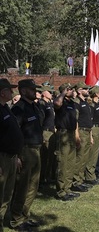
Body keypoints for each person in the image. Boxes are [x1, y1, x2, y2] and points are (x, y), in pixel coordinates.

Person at [10, 79, 44, 230]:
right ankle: (16, 219)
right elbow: (14, 133)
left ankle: (25, 215)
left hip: (36, 149)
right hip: (25, 150)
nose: (35, 91)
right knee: (22, 186)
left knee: (33, 185)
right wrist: (17, 155)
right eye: (31, 89)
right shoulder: (19, 108)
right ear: (23, 91)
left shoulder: (34, 106)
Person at [0, 79, 23, 232]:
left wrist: (17, 157)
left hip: (11, 157)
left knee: (7, 194)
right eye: (10, 90)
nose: (13, 93)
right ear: (2, 92)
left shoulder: (6, 108)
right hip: (2, 159)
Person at [53, 83, 80, 202]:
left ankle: (68, 188)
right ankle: (61, 191)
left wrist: (76, 135)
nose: (72, 91)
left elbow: (75, 120)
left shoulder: (72, 103)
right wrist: (63, 93)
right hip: (62, 133)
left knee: (70, 162)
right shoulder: (61, 102)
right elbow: (57, 104)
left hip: (71, 133)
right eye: (70, 90)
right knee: (62, 163)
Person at [73, 82, 93, 192]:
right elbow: (75, 120)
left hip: (87, 131)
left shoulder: (84, 102)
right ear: (79, 90)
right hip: (81, 131)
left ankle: (80, 179)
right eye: (85, 89)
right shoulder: (77, 102)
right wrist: (77, 135)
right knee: (79, 157)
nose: (87, 90)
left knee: (84, 157)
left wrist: (90, 136)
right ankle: (76, 181)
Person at [84, 86, 99, 185]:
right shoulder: (92, 105)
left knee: (95, 154)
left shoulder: (97, 104)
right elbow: (90, 121)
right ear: (96, 94)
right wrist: (90, 136)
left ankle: (92, 174)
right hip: (94, 130)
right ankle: (89, 176)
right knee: (92, 154)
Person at [38, 86, 56, 185]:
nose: (51, 93)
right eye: (49, 92)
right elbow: (41, 120)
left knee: (50, 156)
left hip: (52, 131)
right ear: (44, 93)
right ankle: (42, 179)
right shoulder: (42, 104)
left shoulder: (50, 104)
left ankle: (47, 177)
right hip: (46, 132)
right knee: (44, 156)